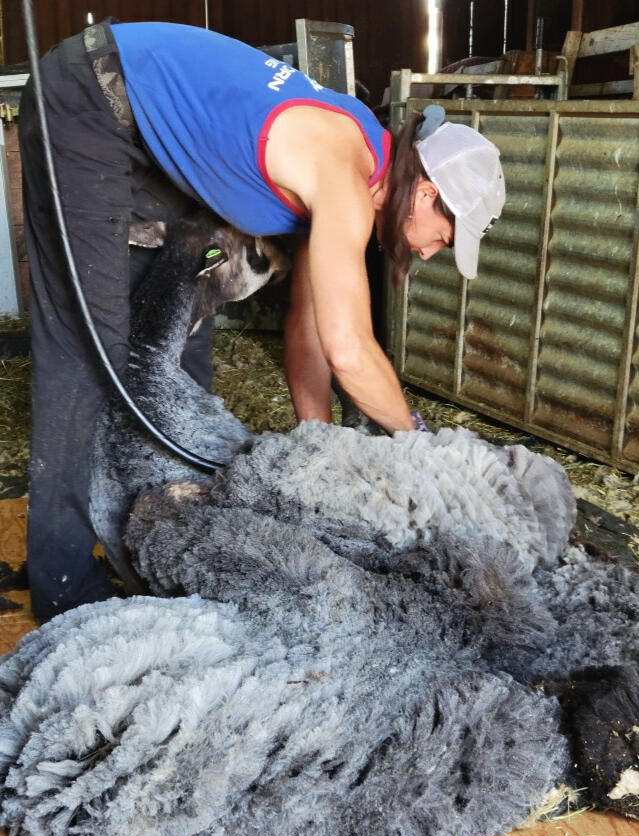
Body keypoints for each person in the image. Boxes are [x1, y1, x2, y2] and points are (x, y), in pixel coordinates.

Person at [19, 19, 505, 621]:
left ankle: (166, 527)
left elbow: (313, 341)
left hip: (142, 133)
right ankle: (61, 586)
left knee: (183, 333)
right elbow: (352, 350)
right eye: (443, 236)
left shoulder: (356, 177)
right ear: (427, 194)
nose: (431, 252)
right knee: (92, 350)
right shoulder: (345, 181)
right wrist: (420, 443)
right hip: (91, 95)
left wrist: (321, 463)